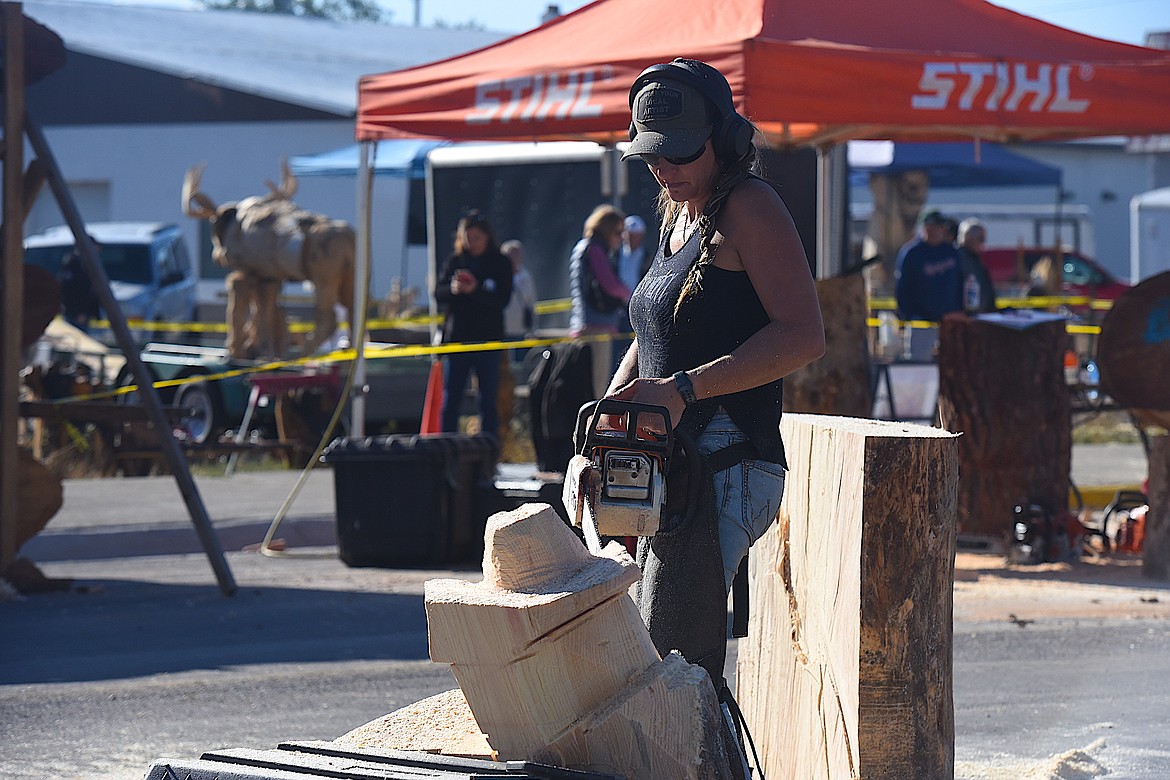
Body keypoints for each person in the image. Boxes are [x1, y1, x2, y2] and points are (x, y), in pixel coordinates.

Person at [611, 58, 825, 685]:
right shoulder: (681, 212)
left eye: (679, 156)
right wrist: (614, 410)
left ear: (726, 142)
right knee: (655, 656)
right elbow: (655, 333)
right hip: (670, 454)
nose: (664, 169)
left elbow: (803, 336)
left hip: (724, 459)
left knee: (676, 664)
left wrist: (685, 388)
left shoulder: (750, 207)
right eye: (654, 156)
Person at [434, 210, 513, 439]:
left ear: (487, 236)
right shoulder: (456, 261)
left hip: (487, 339)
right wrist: (454, 289)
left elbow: (502, 299)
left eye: (476, 237)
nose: (472, 242)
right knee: (451, 399)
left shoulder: (499, 263)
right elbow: (438, 294)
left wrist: (475, 290)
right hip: (458, 339)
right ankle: (445, 447)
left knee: (488, 398)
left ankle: (489, 450)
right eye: (467, 237)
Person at [569, 204, 632, 399]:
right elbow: (610, 284)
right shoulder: (596, 249)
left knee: (582, 384)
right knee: (597, 386)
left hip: (582, 324)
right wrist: (629, 294)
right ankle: (594, 428)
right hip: (597, 326)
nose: (621, 238)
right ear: (608, 228)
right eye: (618, 232)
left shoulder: (582, 247)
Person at [894, 209, 963, 322]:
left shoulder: (951, 252)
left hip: (950, 319)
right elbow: (903, 288)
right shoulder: (912, 253)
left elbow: (961, 282)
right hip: (921, 320)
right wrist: (908, 315)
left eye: (939, 227)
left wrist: (960, 310)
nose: (936, 231)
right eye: (931, 227)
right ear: (924, 228)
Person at [956, 218, 997, 313]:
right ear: (967, 237)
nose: (983, 243)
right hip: (967, 318)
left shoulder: (976, 262)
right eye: (980, 239)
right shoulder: (957, 261)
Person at [58, 243, 101, 332]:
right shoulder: (73, 264)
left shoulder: (88, 263)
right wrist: (78, 312)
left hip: (85, 312)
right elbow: (69, 291)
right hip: (76, 314)